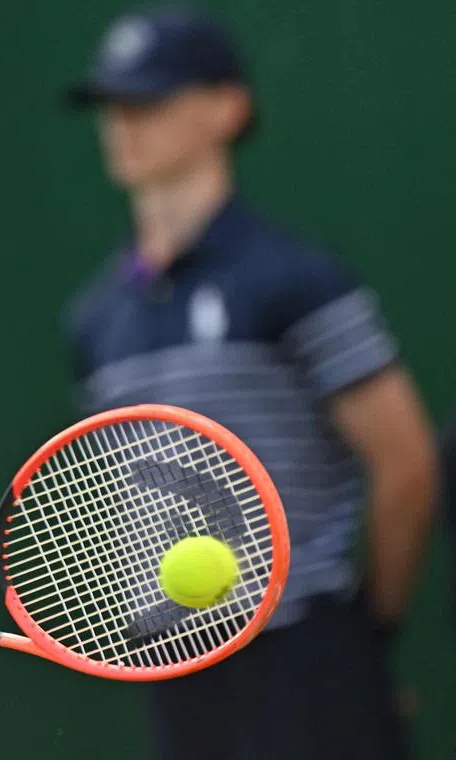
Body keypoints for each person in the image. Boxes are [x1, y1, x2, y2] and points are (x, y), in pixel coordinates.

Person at [61, 7, 436, 759]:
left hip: (309, 663)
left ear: (227, 109)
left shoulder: (298, 281)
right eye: (114, 105)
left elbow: (408, 464)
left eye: (152, 100)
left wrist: (367, 635)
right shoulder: (95, 318)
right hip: (175, 668)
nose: (125, 125)